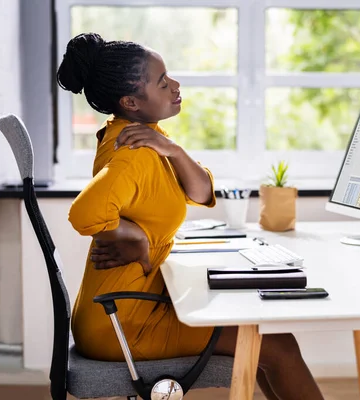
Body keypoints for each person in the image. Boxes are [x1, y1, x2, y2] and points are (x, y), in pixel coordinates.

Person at [57, 32, 324, 399]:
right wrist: (138, 241)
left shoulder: (147, 137)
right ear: (131, 101)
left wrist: (174, 150)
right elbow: (83, 214)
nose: (175, 86)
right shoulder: (132, 152)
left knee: (266, 340)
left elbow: (200, 191)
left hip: (122, 311)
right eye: (162, 82)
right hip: (123, 325)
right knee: (278, 346)